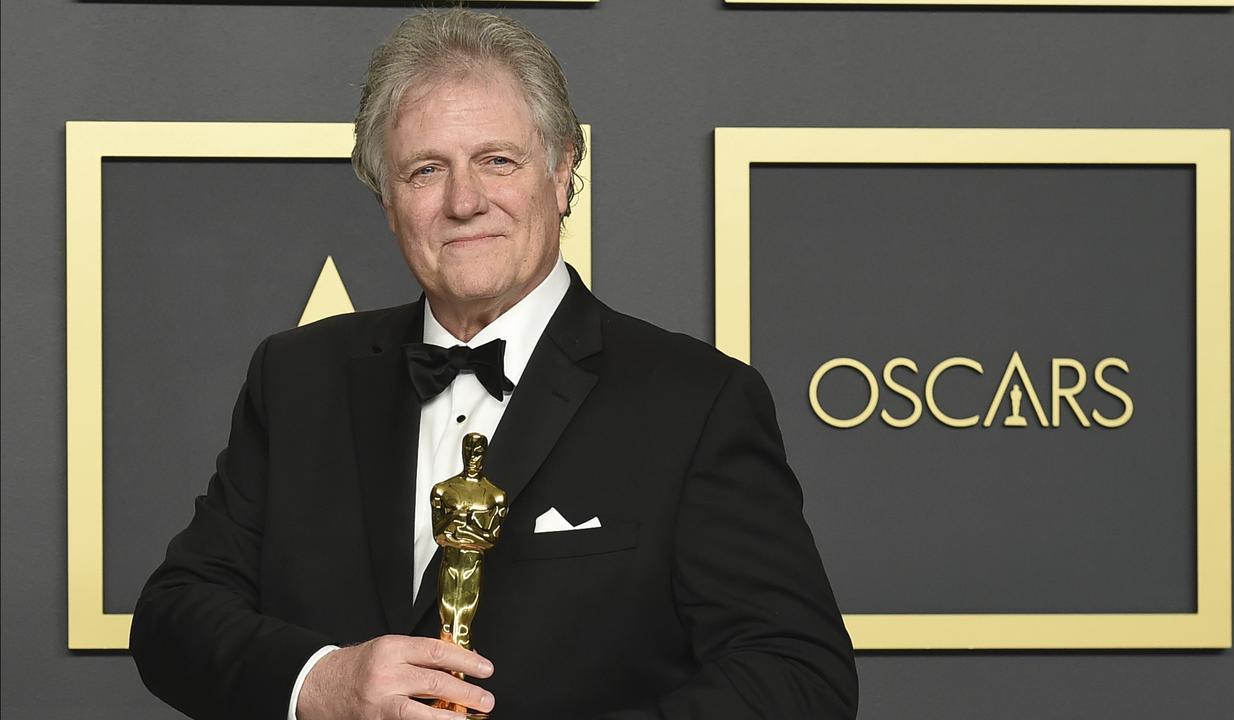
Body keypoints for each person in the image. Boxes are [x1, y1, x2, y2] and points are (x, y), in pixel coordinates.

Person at [130, 9, 858, 720]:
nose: (464, 201)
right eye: (425, 171)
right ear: (388, 200)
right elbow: (174, 618)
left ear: (563, 167)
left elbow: (796, 674)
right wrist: (324, 682)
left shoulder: (698, 401)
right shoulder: (296, 378)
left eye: (496, 160)